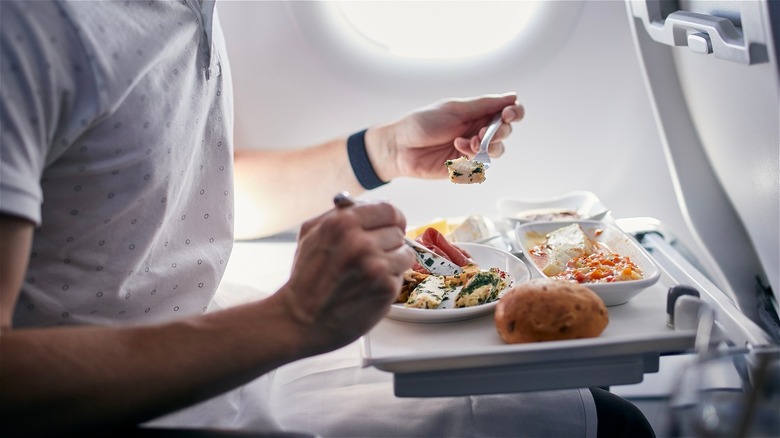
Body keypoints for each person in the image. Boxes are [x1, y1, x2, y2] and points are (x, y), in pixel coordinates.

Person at [0, 1, 654, 437]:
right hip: (132, 401)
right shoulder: (27, 30)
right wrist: (291, 319)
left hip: (222, 341)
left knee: (598, 411)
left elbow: (176, 196)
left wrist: (381, 151)